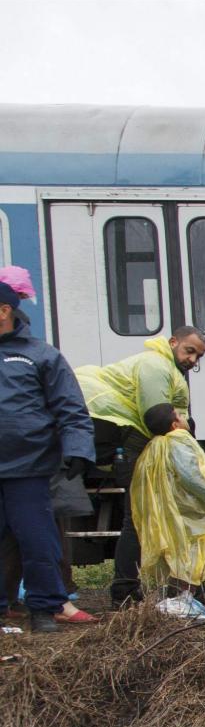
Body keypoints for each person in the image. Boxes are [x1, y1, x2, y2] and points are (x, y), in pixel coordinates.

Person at [74, 325, 205, 605]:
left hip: (143, 448)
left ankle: (172, 588)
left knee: (155, 517)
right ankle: (126, 592)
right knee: (138, 519)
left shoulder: (167, 368)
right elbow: (157, 417)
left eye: (198, 356)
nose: (192, 360)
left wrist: (181, 424)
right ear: (173, 342)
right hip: (137, 448)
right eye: (189, 351)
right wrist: (181, 425)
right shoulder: (155, 364)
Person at [0, 267, 94, 633]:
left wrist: (78, 449)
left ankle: (43, 608)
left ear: (5, 310)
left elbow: (71, 407)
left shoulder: (41, 355)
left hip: (29, 468)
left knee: (38, 540)